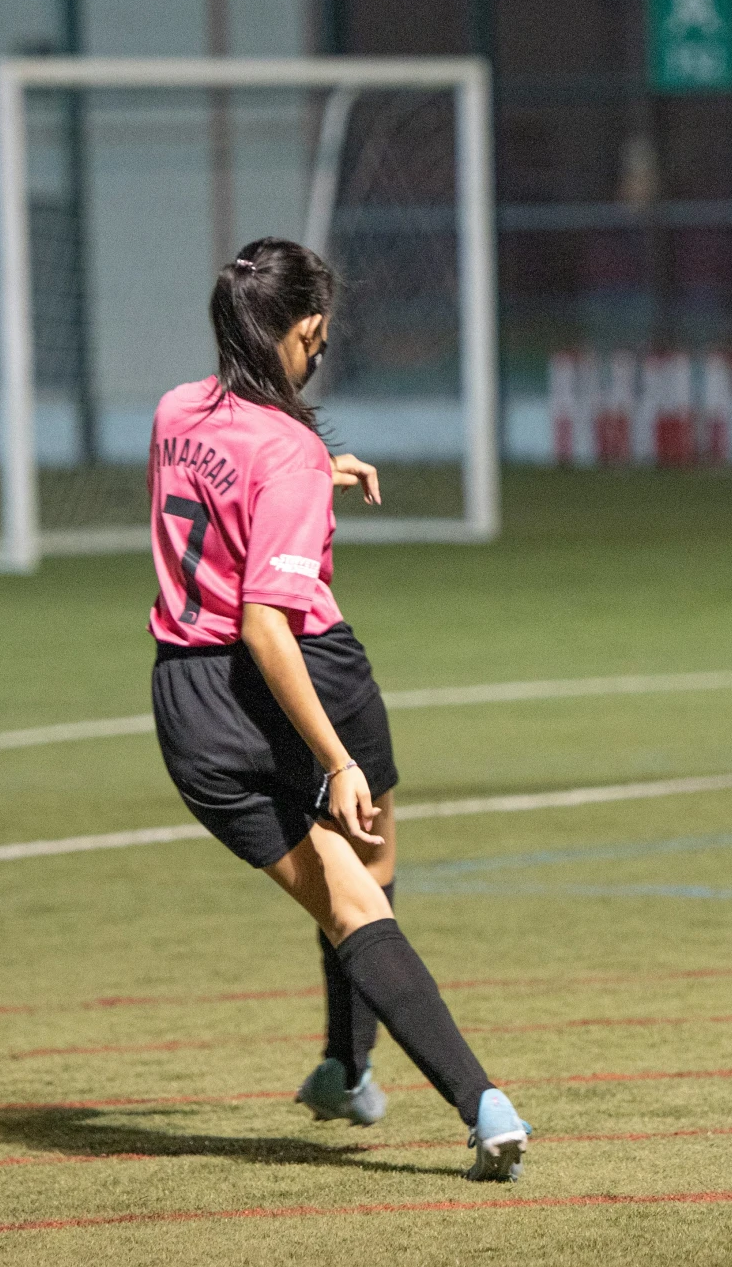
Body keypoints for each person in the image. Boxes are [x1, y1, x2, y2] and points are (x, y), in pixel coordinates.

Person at [146, 236, 531, 1179]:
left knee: (340, 893)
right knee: (368, 872)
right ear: (305, 328)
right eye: (320, 336)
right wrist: (339, 758)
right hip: (303, 675)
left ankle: (354, 1073)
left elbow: (238, 452)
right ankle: (445, 1093)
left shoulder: (173, 412)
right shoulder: (290, 458)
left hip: (189, 707)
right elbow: (268, 626)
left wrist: (321, 455)